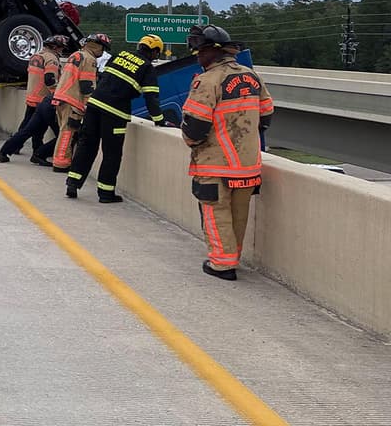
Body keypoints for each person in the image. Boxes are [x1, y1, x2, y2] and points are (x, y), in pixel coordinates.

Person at [182, 25, 274, 281]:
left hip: (216, 163)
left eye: (200, 52)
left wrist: (192, 143)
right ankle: (233, 257)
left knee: (216, 212)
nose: (197, 57)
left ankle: (221, 264)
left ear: (212, 52)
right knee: (239, 214)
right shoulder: (252, 76)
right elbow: (266, 115)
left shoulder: (207, 81)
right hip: (247, 164)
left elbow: (195, 126)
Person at [65, 34, 169, 202]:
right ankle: (105, 193)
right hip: (115, 113)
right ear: (155, 51)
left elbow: (101, 78)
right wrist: (159, 120)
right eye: (157, 53)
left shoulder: (119, 55)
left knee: (86, 145)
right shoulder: (147, 67)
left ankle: (73, 182)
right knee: (111, 153)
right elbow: (151, 98)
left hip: (94, 105)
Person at [0, 34, 70, 163]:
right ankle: (37, 153)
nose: (62, 51)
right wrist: (59, 95)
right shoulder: (51, 59)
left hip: (32, 97)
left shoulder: (36, 56)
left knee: (30, 129)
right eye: (61, 48)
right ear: (55, 47)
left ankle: (9, 151)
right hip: (43, 100)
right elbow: (50, 80)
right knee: (48, 131)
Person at [50, 33, 109, 172]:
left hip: (61, 97)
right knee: (68, 132)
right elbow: (87, 85)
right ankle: (61, 163)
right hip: (72, 101)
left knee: (63, 131)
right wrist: (90, 104)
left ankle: (60, 160)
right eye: (103, 48)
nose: (103, 52)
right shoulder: (90, 59)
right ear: (97, 46)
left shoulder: (77, 54)